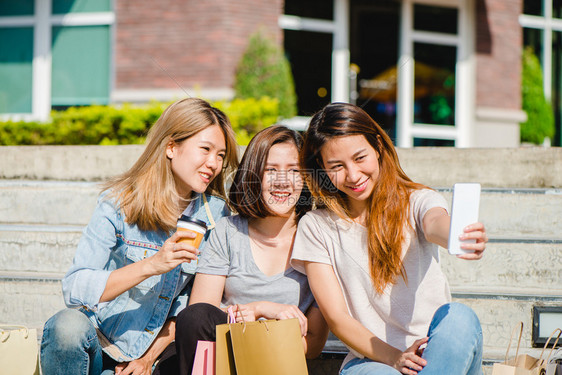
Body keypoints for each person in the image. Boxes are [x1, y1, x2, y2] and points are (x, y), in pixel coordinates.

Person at [40, 97, 239, 375]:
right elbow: (74, 288)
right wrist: (151, 265)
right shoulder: (119, 203)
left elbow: (195, 310)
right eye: (205, 149)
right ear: (171, 147)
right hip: (99, 340)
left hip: (157, 356)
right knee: (66, 327)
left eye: (220, 155)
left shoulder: (217, 217)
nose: (213, 163)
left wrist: (148, 359)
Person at [291, 102, 488, 375]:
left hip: (438, 354)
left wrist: (457, 235)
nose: (353, 175)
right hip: (371, 362)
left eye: (360, 158)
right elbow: (337, 318)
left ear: (379, 149)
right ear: (322, 169)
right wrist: (396, 358)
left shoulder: (416, 200)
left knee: (460, 318)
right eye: (337, 166)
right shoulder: (316, 226)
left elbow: (433, 223)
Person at [174, 125, 329, 374]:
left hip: (279, 362)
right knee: (195, 317)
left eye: (294, 171)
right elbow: (198, 320)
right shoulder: (227, 231)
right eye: (270, 170)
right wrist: (263, 310)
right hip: (222, 359)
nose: (282, 181)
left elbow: (313, 346)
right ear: (253, 175)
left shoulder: (318, 238)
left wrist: (254, 321)